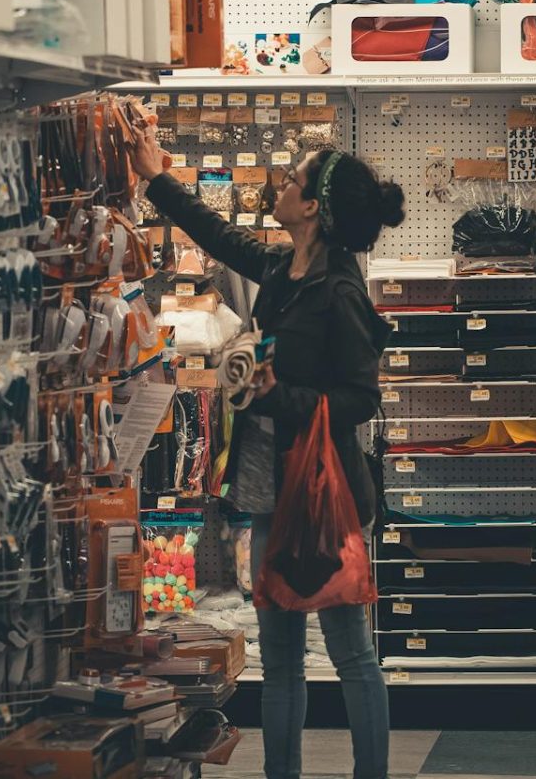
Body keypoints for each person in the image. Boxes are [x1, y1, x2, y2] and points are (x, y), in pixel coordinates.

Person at [131, 127, 405, 779]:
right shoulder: (285, 270)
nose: (281, 187)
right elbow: (222, 238)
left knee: (350, 653)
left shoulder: (339, 291)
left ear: (312, 208)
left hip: (326, 494)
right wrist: (155, 177)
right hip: (267, 491)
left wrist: (277, 396)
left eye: (293, 182)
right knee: (278, 658)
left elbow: (360, 399)